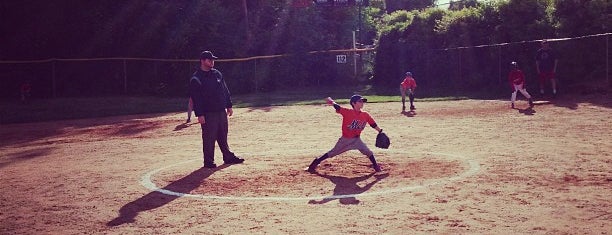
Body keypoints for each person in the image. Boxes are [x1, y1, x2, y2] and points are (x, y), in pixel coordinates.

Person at [189, 50, 244, 168]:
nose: (212, 62)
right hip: (208, 113)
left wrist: (229, 105)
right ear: (202, 61)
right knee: (209, 137)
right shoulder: (196, 78)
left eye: (213, 59)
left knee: (223, 134)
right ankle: (208, 161)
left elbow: (225, 90)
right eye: (209, 60)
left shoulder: (217, 74)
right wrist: (200, 114)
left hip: (221, 111)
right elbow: (196, 98)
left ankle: (228, 156)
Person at [306, 94, 384, 173]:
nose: (362, 103)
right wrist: (332, 102)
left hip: (357, 140)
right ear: (353, 103)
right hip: (345, 140)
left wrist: (380, 131)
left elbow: (372, 124)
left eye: (363, 101)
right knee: (332, 153)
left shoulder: (365, 115)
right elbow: (338, 108)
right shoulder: (348, 112)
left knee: (368, 152)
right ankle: (315, 162)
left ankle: (375, 166)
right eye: (360, 101)